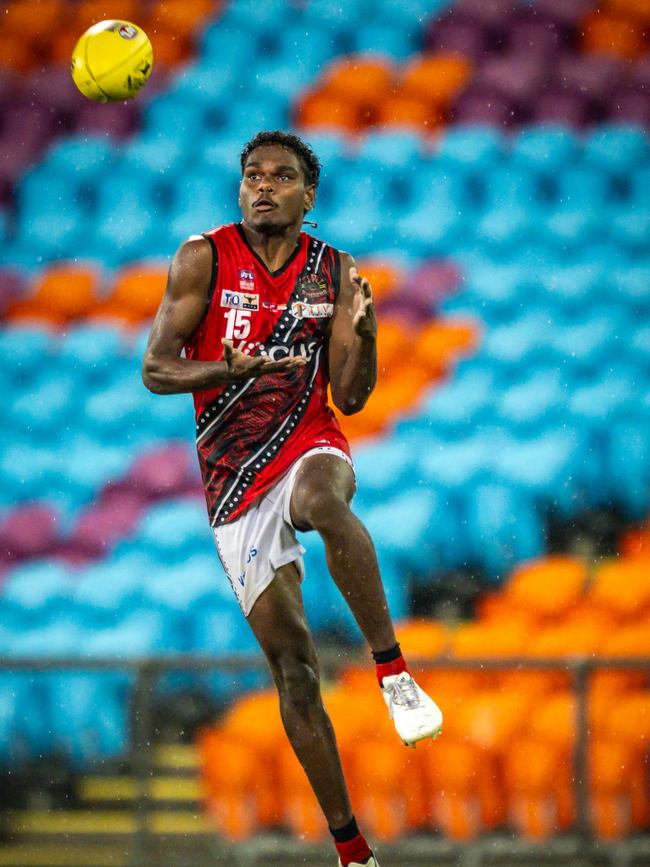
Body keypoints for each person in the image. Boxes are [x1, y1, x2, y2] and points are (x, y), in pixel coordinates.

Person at [142, 130, 442, 867]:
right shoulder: (203, 258)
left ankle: (393, 671)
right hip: (234, 480)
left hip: (310, 439)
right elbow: (155, 368)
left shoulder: (335, 273)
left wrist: (364, 338)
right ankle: (351, 848)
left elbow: (352, 396)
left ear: (309, 197)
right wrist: (226, 367)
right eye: (252, 175)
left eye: (281, 176)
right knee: (296, 670)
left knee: (327, 502)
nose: (263, 186)